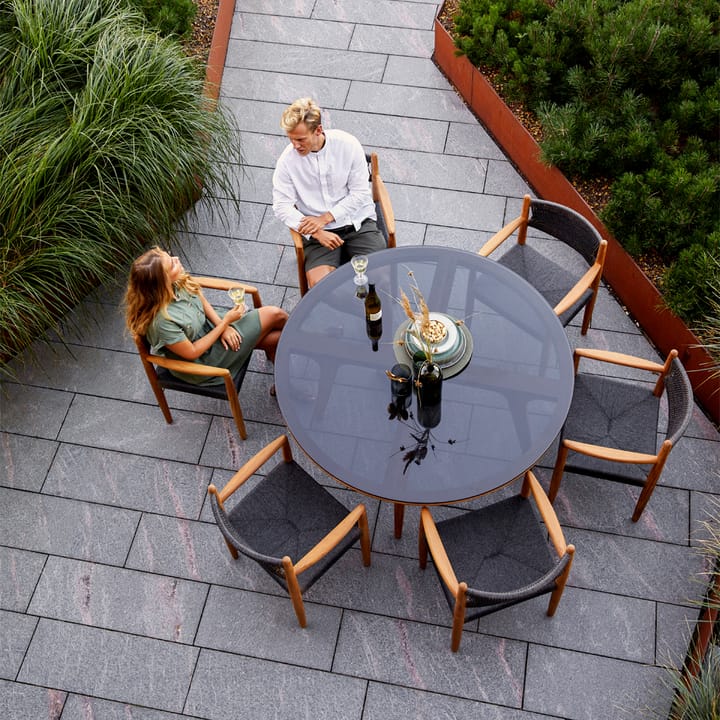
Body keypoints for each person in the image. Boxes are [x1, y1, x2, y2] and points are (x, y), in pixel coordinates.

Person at [125, 248, 288, 393]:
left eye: (170, 256)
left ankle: (285, 383)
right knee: (276, 314)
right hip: (205, 359)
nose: (176, 258)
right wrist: (225, 324)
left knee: (277, 337)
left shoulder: (176, 282)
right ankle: (305, 347)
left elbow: (199, 296)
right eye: (172, 265)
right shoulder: (161, 322)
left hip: (211, 326)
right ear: (162, 282)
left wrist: (222, 326)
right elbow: (192, 352)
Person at [272, 97, 386, 289]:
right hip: (318, 233)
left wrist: (325, 218)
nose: (295, 145)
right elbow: (281, 206)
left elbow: (359, 193)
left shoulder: (348, 145)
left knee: (381, 277)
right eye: (291, 139)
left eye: (300, 139)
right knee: (320, 287)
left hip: (357, 223)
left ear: (318, 130)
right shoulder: (286, 161)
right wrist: (317, 231)